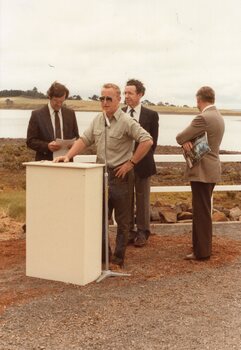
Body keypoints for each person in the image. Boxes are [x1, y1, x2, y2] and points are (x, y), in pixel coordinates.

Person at [54, 83, 153, 267]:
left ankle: (117, 259)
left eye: (109, 99)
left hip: (120, 176)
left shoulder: (126, 121)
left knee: (123, 222)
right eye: (102, 98)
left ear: (118, 100)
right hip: (100, 176)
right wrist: (67, 156)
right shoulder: (98, 120)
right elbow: (84, 139)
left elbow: (147, 140)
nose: (105, 102)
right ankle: (103, 257)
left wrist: (131, 163)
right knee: (99, 218)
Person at [176, 86, 225, 260]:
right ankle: (200, 248)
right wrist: (188, 141)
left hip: (202, 171)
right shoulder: (218, 116)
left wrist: (185, 141)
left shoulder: (203, 117)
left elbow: (180, 136)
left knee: (201, 212)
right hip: (212, 169)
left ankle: (202, 252)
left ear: (199, 100)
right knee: (203, 210)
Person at [123, 79, 159, 247]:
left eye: (130, 93)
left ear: (140, 94)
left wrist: (138, 160)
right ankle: (129, 232)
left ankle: (143, 232)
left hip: (143, 165)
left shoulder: (151, 115)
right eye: (125, 93)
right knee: (126, 199)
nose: (126, 96)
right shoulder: (120, 113)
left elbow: (153, 142)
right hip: (123, 165)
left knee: (142, 199)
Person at [26, 81, 79, 160]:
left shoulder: (70, 114)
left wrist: (74, 144)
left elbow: (77, 137)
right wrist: (47, 146)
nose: (59, 104)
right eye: (55, 101)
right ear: (49, 97)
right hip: (45, 163)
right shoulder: (36, 115)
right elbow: (30, 141)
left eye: (61, 101)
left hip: (67, 162)